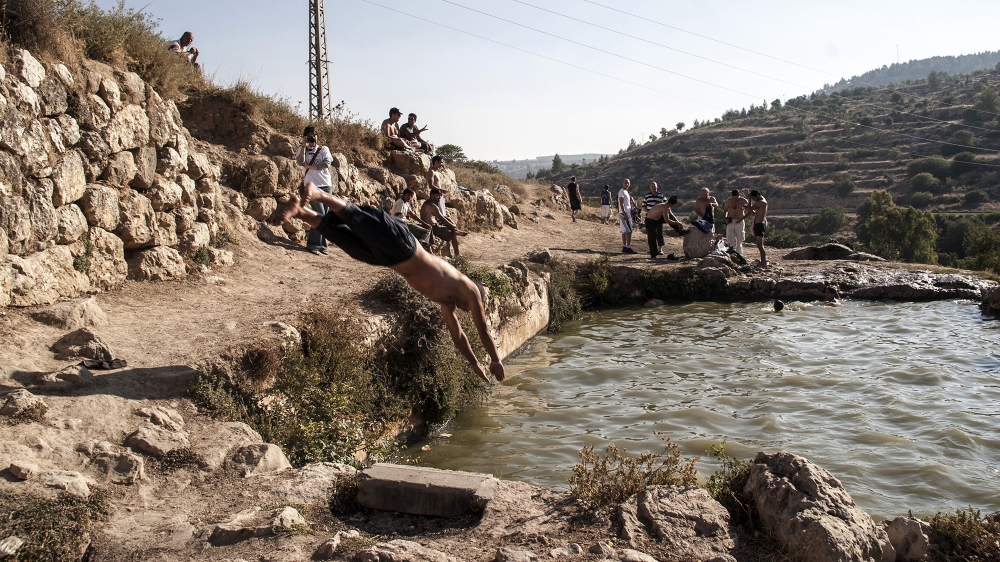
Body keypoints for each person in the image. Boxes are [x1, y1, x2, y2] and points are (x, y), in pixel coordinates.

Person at [269, 183, 504, 384]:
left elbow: (459, 336)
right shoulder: (469, 289)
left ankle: (299, 211)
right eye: (472, 308)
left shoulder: (447, 303)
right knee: (361, 221)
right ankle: (318, 193)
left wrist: (474, 364)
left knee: (346, 239)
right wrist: (495, 359)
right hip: (404, 246)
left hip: (390, 259)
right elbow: (482, 329)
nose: (468, 311)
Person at [296, 126, 334, 255]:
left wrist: (310, 166)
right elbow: (300, 162)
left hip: (326, 185)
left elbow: (326, 164)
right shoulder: (303, 149)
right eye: (310, 136)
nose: (313, 138)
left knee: (324, 216)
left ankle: (322, 245)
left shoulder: (324, 149)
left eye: (314, 135)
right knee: (319, 215)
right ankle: (313, 244)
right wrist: (303, 146)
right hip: (311, 186)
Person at [421, 188, 467, 256]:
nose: (439, 198)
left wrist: (451, 223)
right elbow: (442, 220)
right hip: (433, 228)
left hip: (431, 226)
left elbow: (442, 217)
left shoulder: (426, 203)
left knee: (450, 226)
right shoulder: (432, 206)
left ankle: (456, 231)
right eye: (438, 196)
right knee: (453, 234)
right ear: (432, 195)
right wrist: (453, 226)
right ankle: (457, 255)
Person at [744, 189, 769, 269]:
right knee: (760, 245)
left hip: (759, 225)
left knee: (760, 246)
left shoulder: (761, 202)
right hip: (759, 224)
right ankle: (763, 262)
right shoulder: (762, 201)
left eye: (754, 198)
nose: (755, 200)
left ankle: (763, 264)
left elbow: (750, 209)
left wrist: (749, 198)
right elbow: (754, 213)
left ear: (758, 195)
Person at [642, 182, 666, 255]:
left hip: (659, 217)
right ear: (650, 187)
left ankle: (660, 249)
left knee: (660, 232)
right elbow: (643, 206)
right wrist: (648, 212)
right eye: (652, 186)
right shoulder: (647, 196)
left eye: (654, 186)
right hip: (650, 218)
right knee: (651, 234)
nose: (653, 187)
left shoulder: (661, 195)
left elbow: (666, 204)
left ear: (657, 186)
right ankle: (652, 249)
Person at [724, 189, 749, 255]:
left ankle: (739, 253)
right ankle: (731, 252)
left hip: (739, 220)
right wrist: (725, 218)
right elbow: (726, 210)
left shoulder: (743, 201)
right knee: (729, 237)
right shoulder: (729, 201)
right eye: (733, 197)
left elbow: (749, 211)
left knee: (739, 238)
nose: (735, 199)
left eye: (736, 197)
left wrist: (742, 218)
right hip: (731, 220)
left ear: (739, 195)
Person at [618, 179, 636, 254]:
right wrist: (624, 213)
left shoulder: (626, 192)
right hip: (625, 213)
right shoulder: (622, 191)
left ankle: (625, 246)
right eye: (625, 183)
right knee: (629, 231)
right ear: (622, 183)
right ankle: (628, 247)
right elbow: (621, 202)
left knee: (624, 231)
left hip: (625, 212)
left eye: (628, 183)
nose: (627, 184)